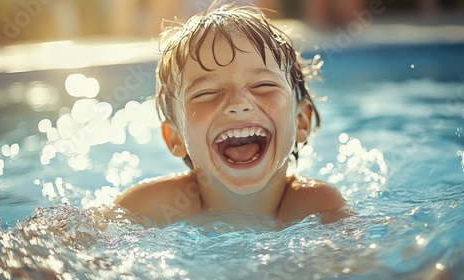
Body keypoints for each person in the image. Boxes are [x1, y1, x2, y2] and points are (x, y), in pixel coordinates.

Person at [114, 1, 348, 226]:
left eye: (263, 85)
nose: (238, 103)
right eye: (207, 92)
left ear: (300, 122)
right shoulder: (151, 206)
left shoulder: (316, 206)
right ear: (175, 138)